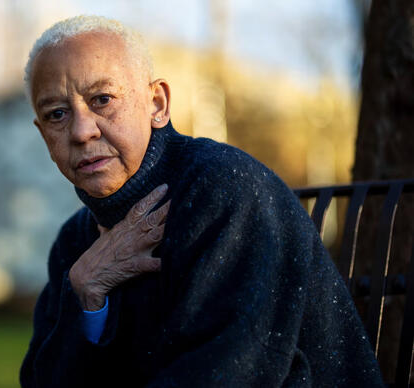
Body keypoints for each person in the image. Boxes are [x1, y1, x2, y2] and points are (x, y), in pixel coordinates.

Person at [19, 15, 384, 387]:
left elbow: (229, 371)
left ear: (157, 103)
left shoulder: (224, 190)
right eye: (57, 115)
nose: (82, 131)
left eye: (103, 99)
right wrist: (86, 295)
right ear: (43, 133)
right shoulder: (76, 244)